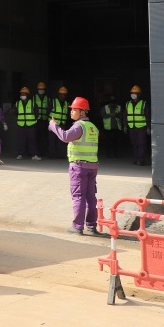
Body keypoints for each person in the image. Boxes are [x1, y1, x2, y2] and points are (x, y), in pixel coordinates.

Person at [48, 96, 100, 236]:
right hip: (92, 167)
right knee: (91, 197)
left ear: (82, 112)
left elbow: (65, 137)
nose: (71, 112)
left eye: (74, 109)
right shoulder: (93, 127)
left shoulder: (79, 126)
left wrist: (53, 125)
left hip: (79, 167)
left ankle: (77, 226)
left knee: (78, 196)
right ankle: (91, 226)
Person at [13, 86, 40, 161]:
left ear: (27, 95)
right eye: (21, 94)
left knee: (32, 140)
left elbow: (37, 113)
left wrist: (33, 120)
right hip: (21, 125)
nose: (23, 95)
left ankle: (34, 155)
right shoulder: (17, 103)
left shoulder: (33, 103)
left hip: (31, 125)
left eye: (24, 94)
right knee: (21, 140)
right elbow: (15, 113)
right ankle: (20, 154)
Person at [126, 84, 150, 166]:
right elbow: (125, 115)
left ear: (139, 94)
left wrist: (148, 127)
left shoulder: (143, 103)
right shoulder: (128, 104)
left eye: (135, 93)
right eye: (132, 93)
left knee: (141, 144)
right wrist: (125, 126)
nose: (133, 95)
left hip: (141, 128)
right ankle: (136, 158)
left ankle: (141, 160)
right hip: (132, 127)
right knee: (134, 144)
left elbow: (147, 116)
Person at [49, 86, 71, 158]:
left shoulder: (67, 103)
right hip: (53, 124)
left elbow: (68, 114)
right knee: (52, 140)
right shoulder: (53, 102)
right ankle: (52, 155)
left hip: (62, 124)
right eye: (61, 94)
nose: (62, 96)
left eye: (64, 94)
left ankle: (61, 155)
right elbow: (47, 112)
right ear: (59, 95)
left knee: (61, 140)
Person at [32, 81, 51, 158]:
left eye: (42, 89)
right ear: (37, 89)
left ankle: (42, 152)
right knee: (35, 137)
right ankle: (35, 152)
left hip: (44, 120)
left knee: (43, 137)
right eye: (40, 89)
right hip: (35, 120)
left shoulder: (48, 98)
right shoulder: (33, 98)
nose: (41, 90)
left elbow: (49, 108)